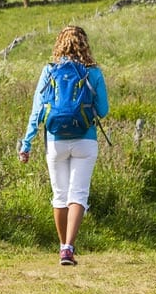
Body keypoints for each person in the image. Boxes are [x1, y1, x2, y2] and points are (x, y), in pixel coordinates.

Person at [18, 25, 109, 266]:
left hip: (55, 141)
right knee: (78, 194)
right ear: (84, 44)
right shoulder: (93, 73)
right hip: (85, 140)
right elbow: (103, 110)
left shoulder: (49, 71)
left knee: (60, 196)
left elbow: (37, 110)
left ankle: (60, 247)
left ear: (59, 44)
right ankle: (69, 248)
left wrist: (26, 143)